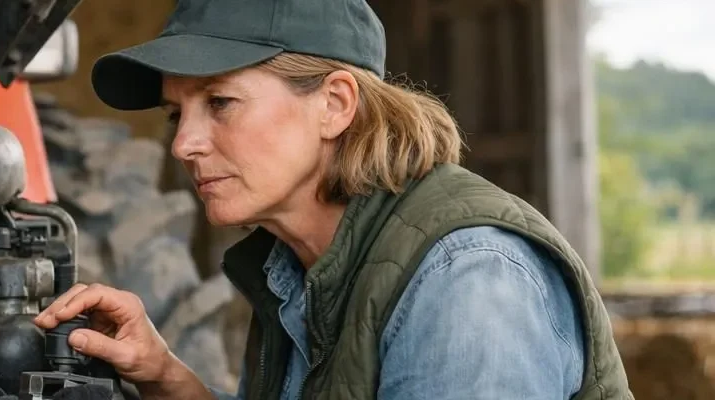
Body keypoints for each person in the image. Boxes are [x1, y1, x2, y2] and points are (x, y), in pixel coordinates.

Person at [33, 0, 634, 399]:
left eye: (220, 103)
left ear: (335, 104)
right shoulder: (295, 271)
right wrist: (167, 378)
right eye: (176, 114)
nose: (184, 144)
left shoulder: (467, 281)